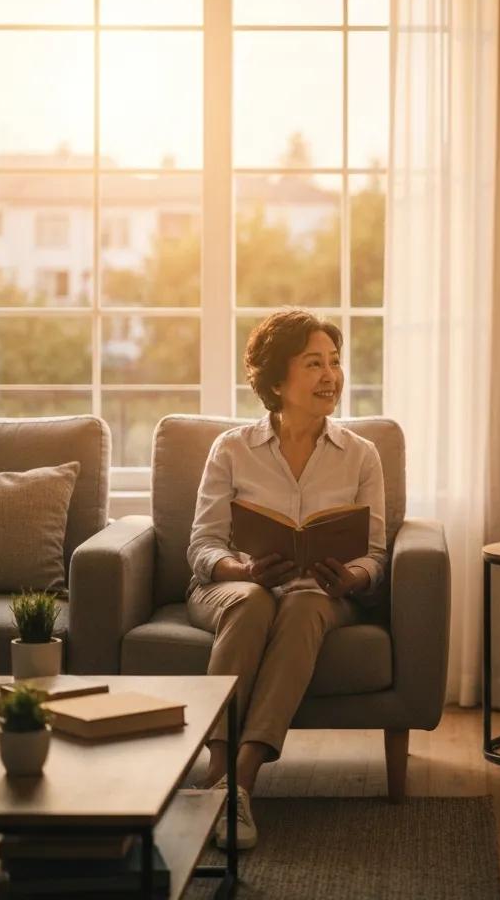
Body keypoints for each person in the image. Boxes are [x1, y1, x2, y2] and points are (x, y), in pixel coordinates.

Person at [186, 307, 387, 848]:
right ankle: (216, 770)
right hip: (234, 586)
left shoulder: (361, 455)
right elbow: (202, 547)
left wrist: (352, 578)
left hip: (321, 593)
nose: (331, 376)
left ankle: (239, 788)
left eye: (336, 363)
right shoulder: (231, 449)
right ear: (277, 380)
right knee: (253, 601)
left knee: (299, 603)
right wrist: (243, 569)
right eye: (314, 364)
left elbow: (375, 555)